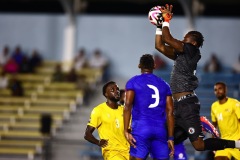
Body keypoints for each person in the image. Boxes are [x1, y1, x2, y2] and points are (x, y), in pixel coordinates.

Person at [155, 3, 240, 152]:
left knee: (199, 146)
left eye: (185, 38)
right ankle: (196, 124)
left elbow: (168, 39)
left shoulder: (191, 50)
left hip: (187, 105)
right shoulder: (183, 53)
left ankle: (237, 145)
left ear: (193, 43)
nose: (182, 39)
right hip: (178, 106)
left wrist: (166, 20)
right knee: (162, 139)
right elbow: (159, 46)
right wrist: (159, 24)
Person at [123, 54, 174, 160]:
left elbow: (127, 105)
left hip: (141, 129)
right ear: (154, 66)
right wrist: (170, 137)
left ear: (139, 65)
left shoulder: (133, 82)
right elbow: (170, 111)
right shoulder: (164, 85)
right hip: (160, 130)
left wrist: (126, 130)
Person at [84, 81, 130, 160]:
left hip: (128, 151)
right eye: (112, 90)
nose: (117, 91)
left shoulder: (125, 110)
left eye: (117, 89)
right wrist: (98, 142)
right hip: (112, 152)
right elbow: (87, 134)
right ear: (106, 94)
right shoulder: (99, 110)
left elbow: (130, 130)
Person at [211, 82, 240, 160]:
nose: (218, 91)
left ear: (225, 90)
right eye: (215, 90)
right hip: (224, 142)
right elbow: (214, 125)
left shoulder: (234, 103)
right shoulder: (214, 106)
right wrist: (213, 142)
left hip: (237, 140)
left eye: (220, 88)